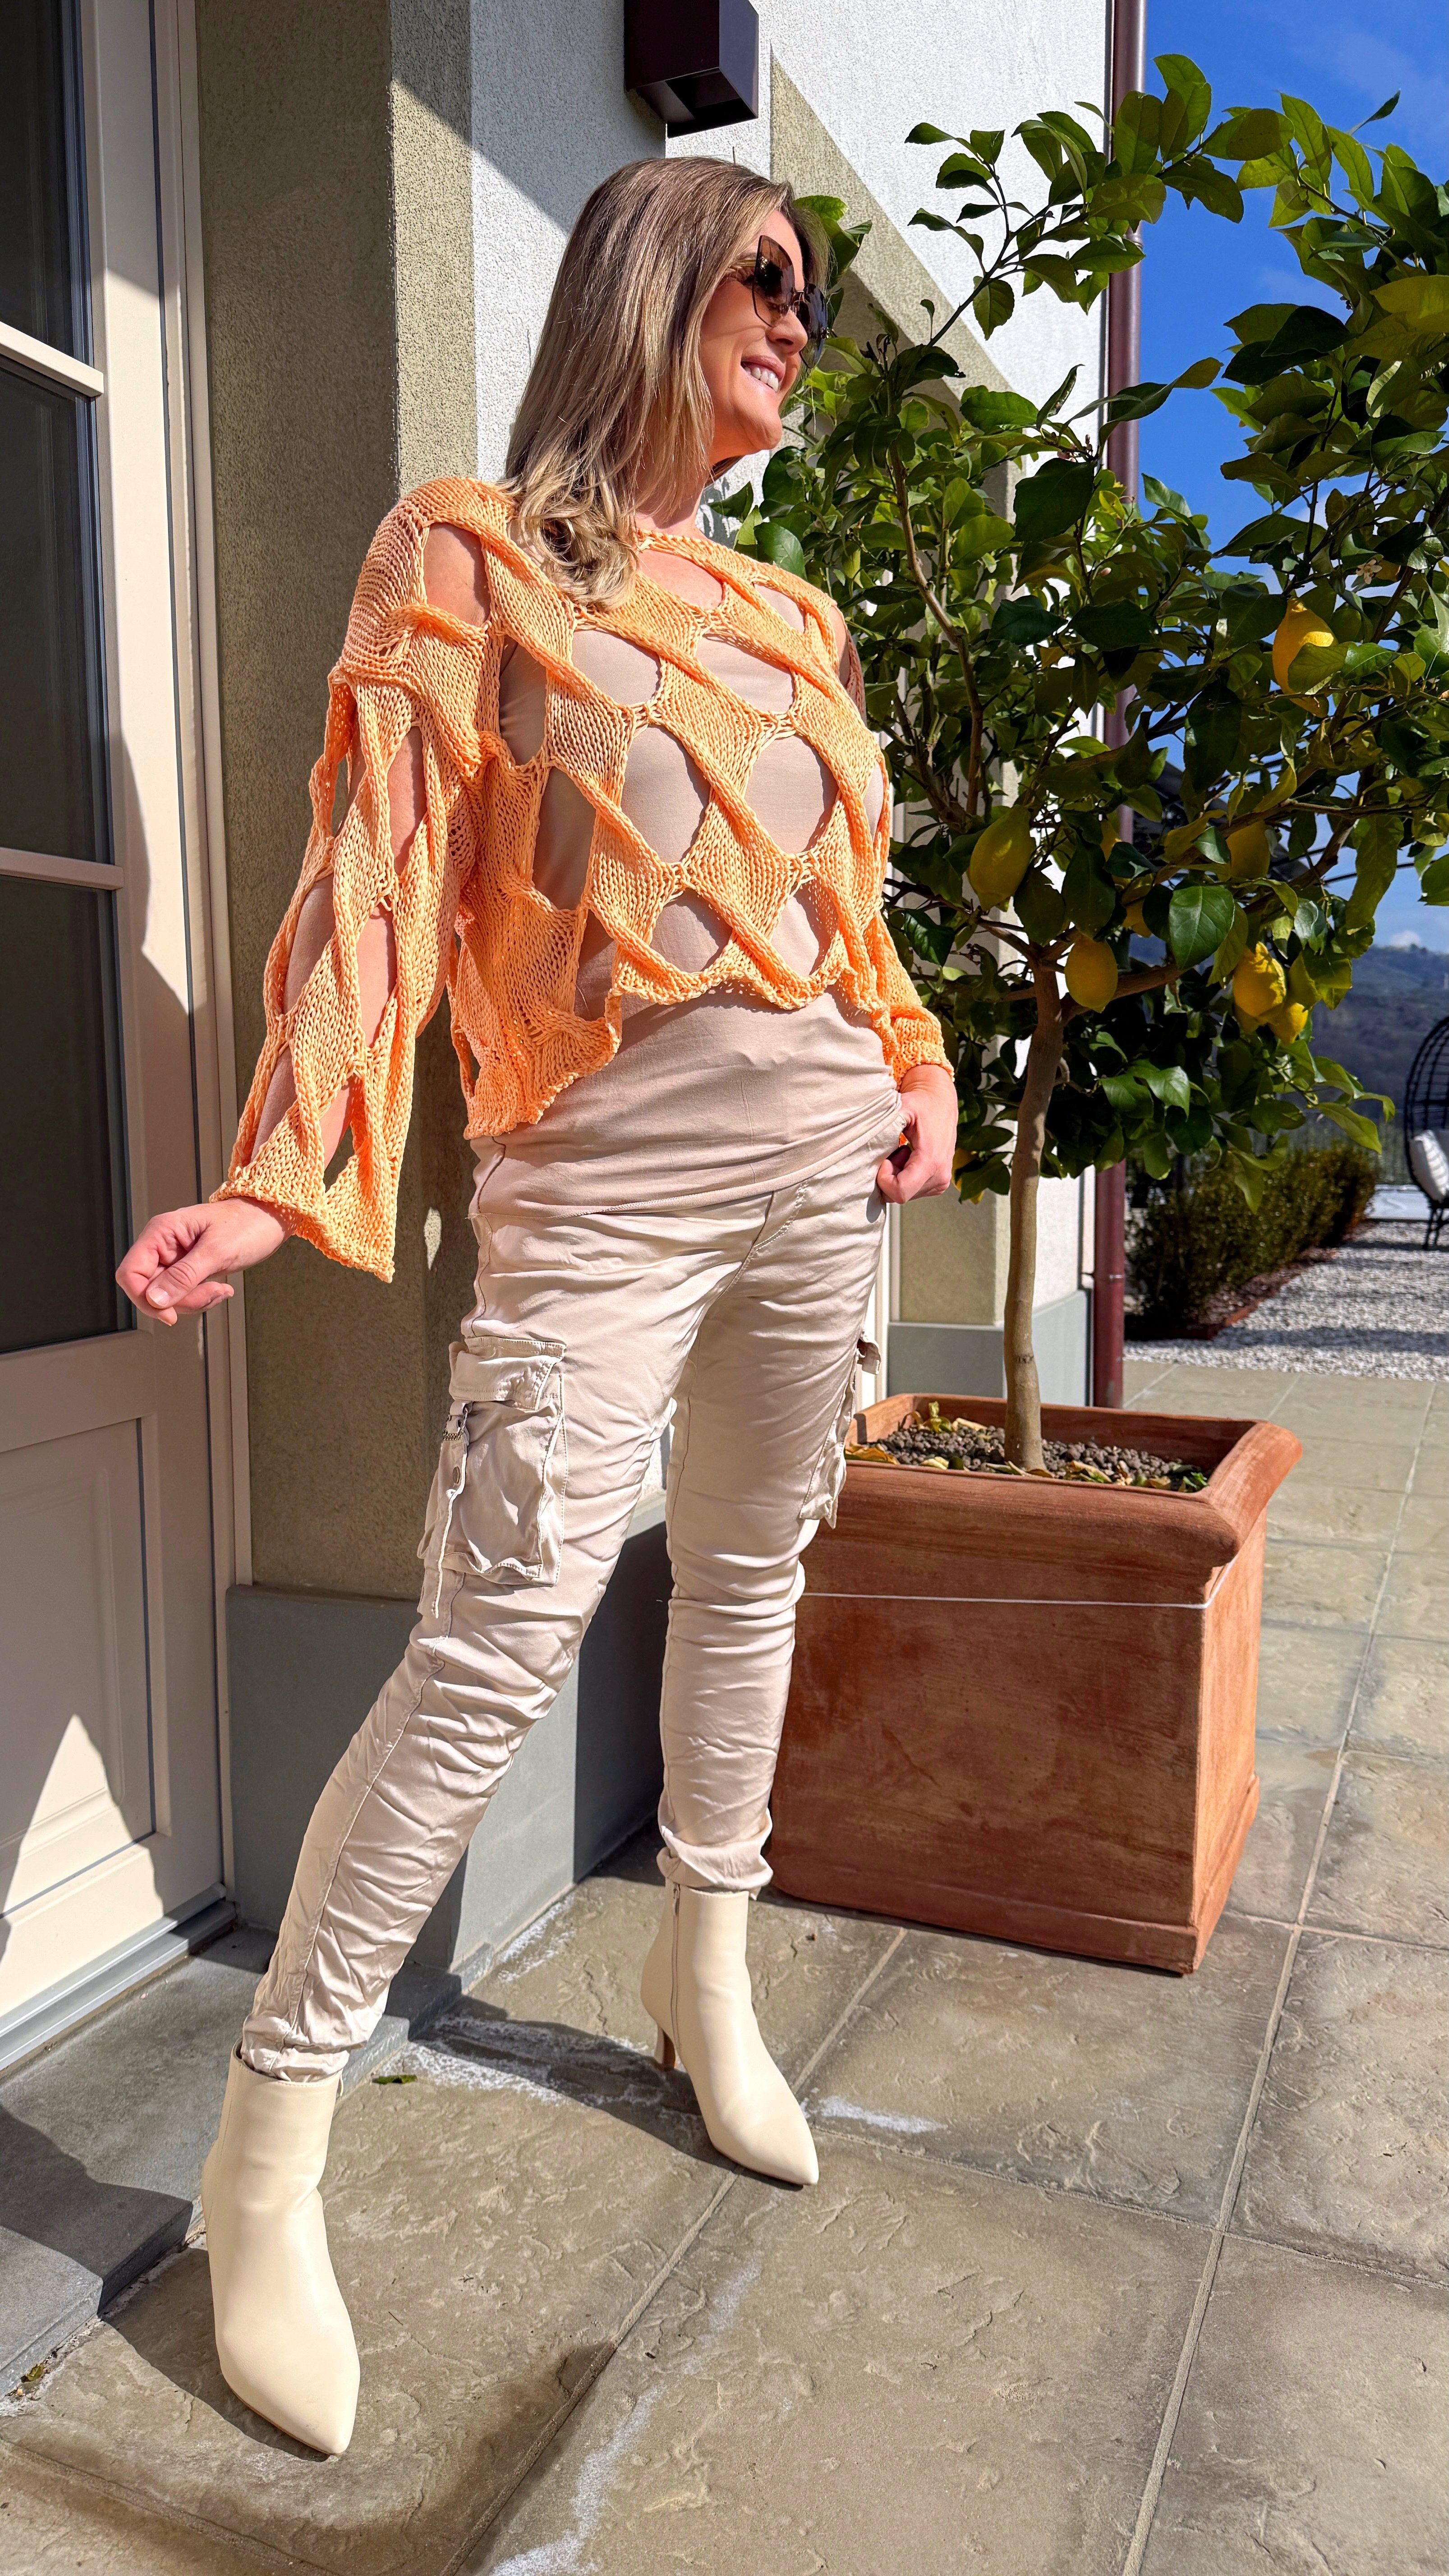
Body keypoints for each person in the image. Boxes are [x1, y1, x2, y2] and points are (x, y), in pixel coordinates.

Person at [118, 156, 956, 2456]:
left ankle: (708, 1972)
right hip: (601, 1183)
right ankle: (267, 2148)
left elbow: (849, 916)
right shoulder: (469, 553)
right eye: (764, 276)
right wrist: (282, 1176)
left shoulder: (797, 617)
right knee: (496, 1640)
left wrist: (918, 1058)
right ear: (649, 288)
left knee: (754, 1574)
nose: (798, 318)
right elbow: (375, 882)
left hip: (823, 1174)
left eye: (812, 291)